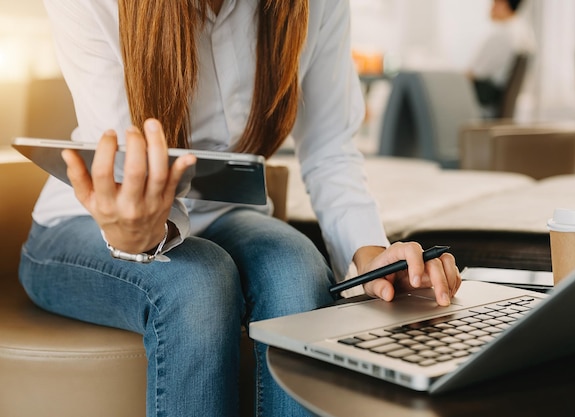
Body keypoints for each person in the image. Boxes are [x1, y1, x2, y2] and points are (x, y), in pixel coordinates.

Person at [20, 1, 462, 416]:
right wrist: (139, 235)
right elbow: (122, 165)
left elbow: (330, 150)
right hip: (91, 221)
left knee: (297, 270)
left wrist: (371, 256)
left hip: (222, 212)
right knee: (197, 280)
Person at [467, 0, 535, 117]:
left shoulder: (502, 35)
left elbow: (474, 74)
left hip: (487, 96)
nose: (490, 8)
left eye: (493, 4)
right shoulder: (524, 32)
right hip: (499, 96)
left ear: (502, 4)